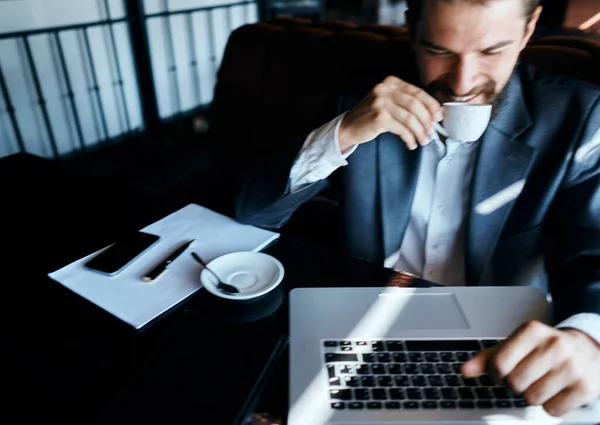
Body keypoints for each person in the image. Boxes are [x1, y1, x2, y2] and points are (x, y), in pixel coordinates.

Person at [235, 0, 600, 416]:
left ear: (529, 28)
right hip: (364, 318)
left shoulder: (579, 117)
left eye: (491, 51)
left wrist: (589, 336)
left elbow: (594, 252)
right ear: (411, 27)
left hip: (504, 340)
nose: (462, 83)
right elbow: (252, 215)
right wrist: (343, 132)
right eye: (439, 50)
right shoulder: (360, 93)